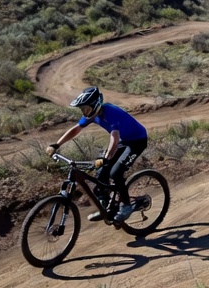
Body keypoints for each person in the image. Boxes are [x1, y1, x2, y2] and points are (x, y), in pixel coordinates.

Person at [46, 87, 149, 224]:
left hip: (137, 141)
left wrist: (106, 157)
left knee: (116, 173)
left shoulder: (111, 113)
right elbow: (76, 128)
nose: (84, 112)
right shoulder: (93, 114)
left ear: (96, 105)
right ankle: (105, 208)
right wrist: (56, 145)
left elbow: (114, 138)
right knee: (102, 172)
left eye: (86, 108)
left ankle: (127, 206)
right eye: (82, 109)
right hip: (124, 141)